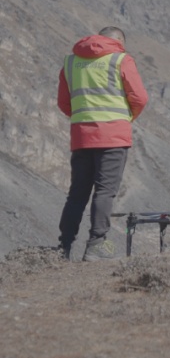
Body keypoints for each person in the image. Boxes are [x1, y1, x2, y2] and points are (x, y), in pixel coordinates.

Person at [56, 26, 149, 261]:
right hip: (113, 136)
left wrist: (84, 118)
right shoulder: (121, 60)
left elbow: (64, 102)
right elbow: (140, 98)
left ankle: (64, 246)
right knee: (105, 191)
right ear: (118, 41)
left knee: (77, 194)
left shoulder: (70, 62)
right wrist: (126, 118)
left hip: (81, 136)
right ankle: (96, 244)